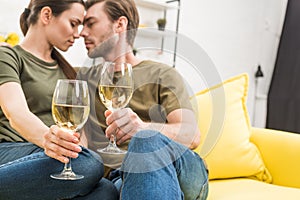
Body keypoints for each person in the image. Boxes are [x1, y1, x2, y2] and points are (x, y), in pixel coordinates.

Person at [75, 0, 207, 199]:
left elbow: (191, 135)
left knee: (145, 141)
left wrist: (142, 128)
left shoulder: (162, 73)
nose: (82, 32)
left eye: (91, 23)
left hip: (181, 170)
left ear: (120, 24)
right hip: (122, 178)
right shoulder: (84, 79)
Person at [0, 0, 118, 199]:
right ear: (46, 15)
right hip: (13, 150)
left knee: (106, 190)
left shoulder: (68, 71)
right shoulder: (8, 56)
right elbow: (15, 112)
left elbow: (80, 132)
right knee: (90, 164)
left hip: (50, 157)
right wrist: (51, 141)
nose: (79, 33)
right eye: (73, 23)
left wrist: (74, 149)